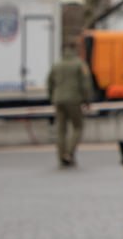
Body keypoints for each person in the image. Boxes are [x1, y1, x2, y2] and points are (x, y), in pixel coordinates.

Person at [46, 39, 93, 167]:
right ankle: (70, 153)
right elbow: (86, 84)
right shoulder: (79, 64)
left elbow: (49, 82)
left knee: (61, 130)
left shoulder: (57, 64)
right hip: (74, 100)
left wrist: (52, 97)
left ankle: (61, 156)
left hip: (58, 99)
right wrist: (87, 100)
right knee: (78, 127)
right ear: (75, 49)